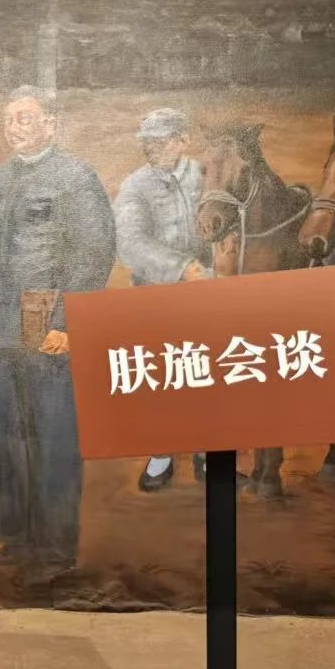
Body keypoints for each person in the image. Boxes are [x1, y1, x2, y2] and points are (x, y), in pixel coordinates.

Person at [0, 85, 115, 579]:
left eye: (25, 119)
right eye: (9, 120)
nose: (14, 128)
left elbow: (93, 254)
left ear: (50, 124)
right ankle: (15, 541)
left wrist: (67, 323)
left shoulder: (76, 178)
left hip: (46, 324)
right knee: (6, 437)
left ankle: (54, 551)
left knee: (52, 437)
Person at [114, 107, 211, 492]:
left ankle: (208, 455)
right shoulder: (135, 185)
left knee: (211, 374)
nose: (151, 148)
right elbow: (129, 242)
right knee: (163, 377)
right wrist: (182, 268)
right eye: (147, 142)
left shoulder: (206, 175)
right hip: (156, 295)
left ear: (182, 141)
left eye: (160, 140)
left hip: (210, 292)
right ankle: (161, 457)